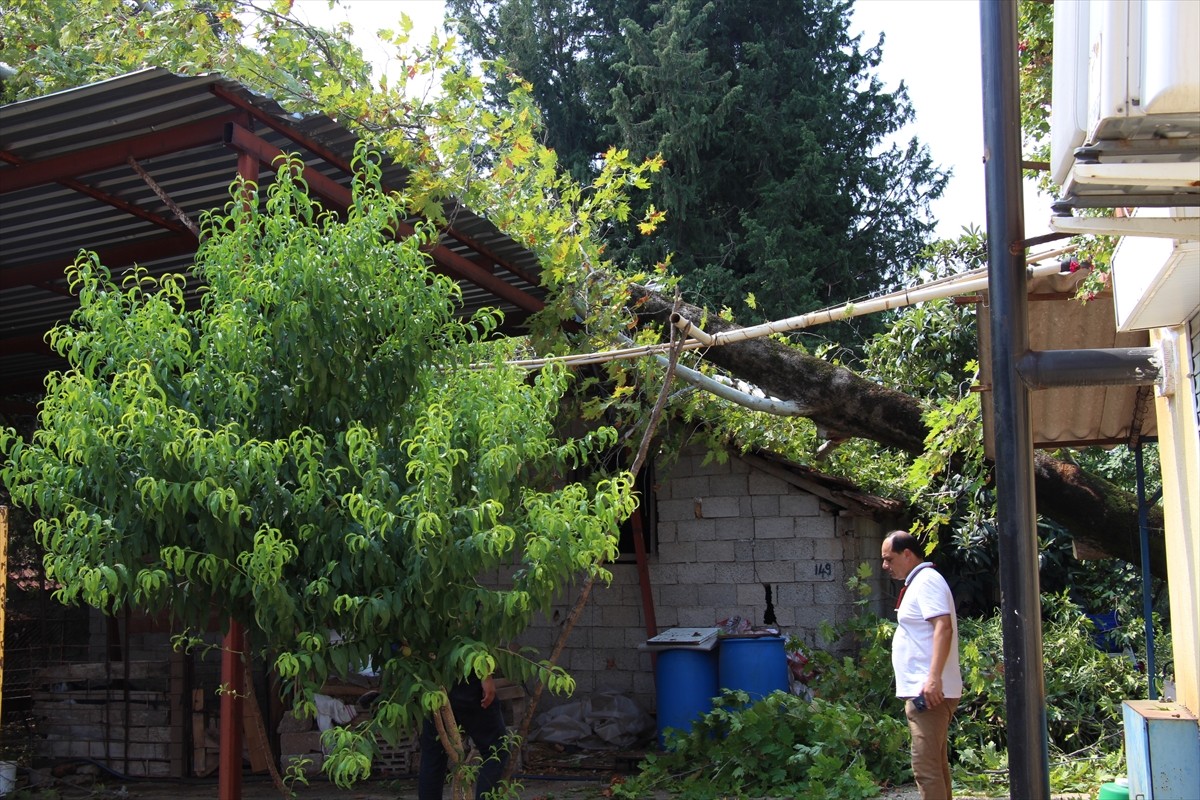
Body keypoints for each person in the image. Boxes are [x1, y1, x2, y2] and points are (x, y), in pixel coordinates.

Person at [881, 530, 962, 800]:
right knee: (935, 766)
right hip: (926, 690)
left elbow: (943, 627)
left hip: (929, 692)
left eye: (889, 559)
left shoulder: (927, 581)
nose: (885, 566)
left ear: (907, 554)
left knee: (925, 768)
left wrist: (933, 678)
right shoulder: (920, 581)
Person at [418, 674, 509, 800]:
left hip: (431, 682)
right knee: (497, 749)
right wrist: (485, 675)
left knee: (433, 754)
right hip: (465, 675)